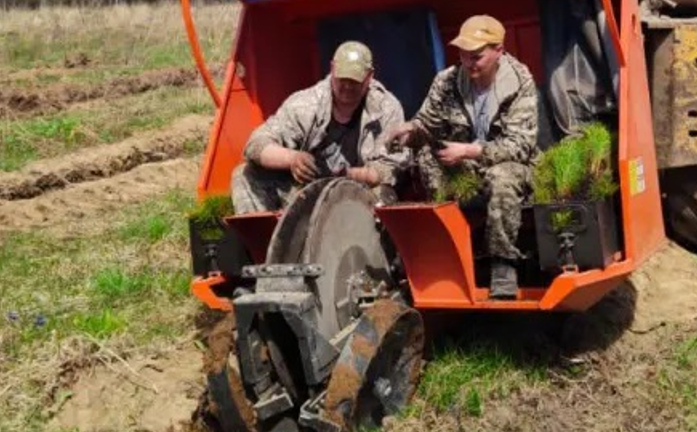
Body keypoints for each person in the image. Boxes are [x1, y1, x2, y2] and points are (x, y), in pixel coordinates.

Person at [387, 15, 538, 300]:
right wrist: (409, 132)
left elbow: (520, 146)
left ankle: (503, 264)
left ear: (499, 51)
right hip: (462, 168)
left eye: (477, 56)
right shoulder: (446, 81)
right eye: (463, 55)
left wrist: (469, 151)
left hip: (506, 165)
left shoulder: (519, 83)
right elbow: (426, 125)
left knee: (504, 175)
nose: (468, 63)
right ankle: (442, 254)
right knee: (428, 158)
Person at [230, 41, 408, 213]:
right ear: (332, 69)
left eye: (354, 80)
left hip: (360, 194)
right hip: (309, 192)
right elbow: (255, 145)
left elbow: (390, 169)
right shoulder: (305, 104)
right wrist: (292, 159)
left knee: (384, 194)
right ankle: (263, 240)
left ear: (369, 76)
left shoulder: (386, 108)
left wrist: (348, 176)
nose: (347, 86)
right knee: (245, 174)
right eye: (342, 79)